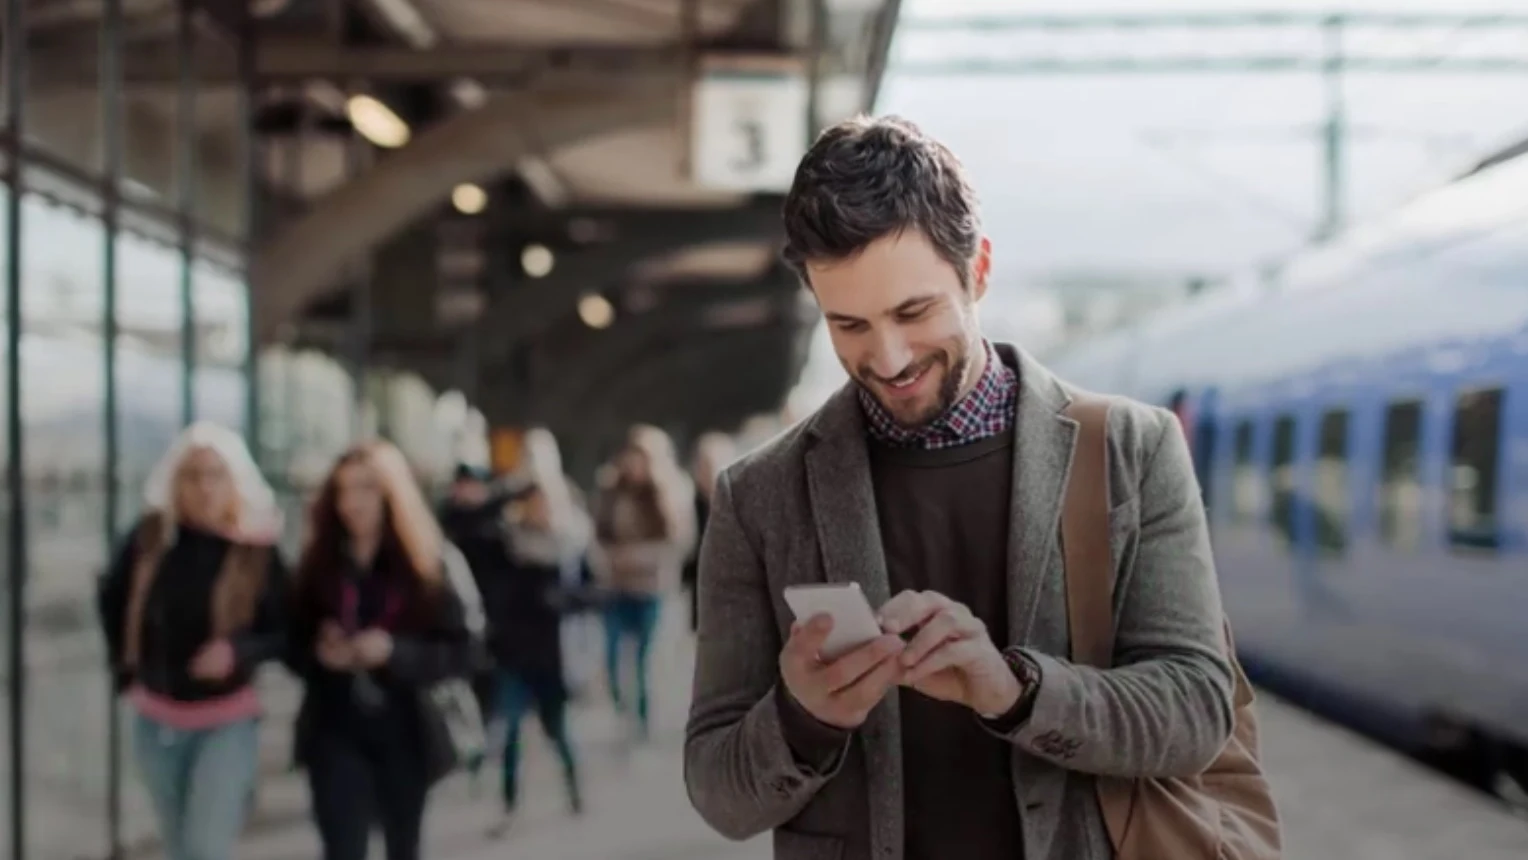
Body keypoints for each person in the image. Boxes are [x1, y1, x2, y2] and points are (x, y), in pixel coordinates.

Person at [683, 115, 1238, 860]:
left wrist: (1013, 691)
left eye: (913, 312)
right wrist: (799, 717)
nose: (887, 358)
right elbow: (718, 792)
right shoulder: (758, 497)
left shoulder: (1133, 452)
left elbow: (1198, 711)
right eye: (848, 324)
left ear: (978, 270)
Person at [97, 421, 288, 860]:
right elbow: (111, 596)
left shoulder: (256, 551)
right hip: (158, 719)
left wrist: (238, 650)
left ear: (236, 481)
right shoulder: (150, 540)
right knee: (179, 844)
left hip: (225, 721)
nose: (204, 487)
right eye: (193, 474)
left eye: (216, 474)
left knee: (206, 846)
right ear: (174, 480)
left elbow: (287, 629)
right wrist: (125, 667)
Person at [287, 441, 480, 860]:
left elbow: (467, 650)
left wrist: (394, 652)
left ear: (392, 493)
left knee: (403, 847)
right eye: (344, 490)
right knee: (342, 846)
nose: (353, 503)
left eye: (366, 489)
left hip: (408, 727)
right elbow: (291, 639)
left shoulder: (431, 564)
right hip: (336, 726)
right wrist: (320, 649)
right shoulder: (319, 564)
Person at [483, 481, 598, 836]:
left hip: (557, 657)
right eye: (533, 504)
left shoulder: (571, 545)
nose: (540, 511)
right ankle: (510, 804)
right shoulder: (506, 545)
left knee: (560, 732)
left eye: (546, 504)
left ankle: (576, 792)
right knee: (511, 733)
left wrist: (563, 599)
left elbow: (595, 592)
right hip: (516, 655)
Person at [591, 425, 694, 741]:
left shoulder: (668, 492)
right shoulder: (611, 491)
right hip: (616, 587)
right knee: (612, 655)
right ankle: (623, 708)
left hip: (652, 589)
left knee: (644, 661)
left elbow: (676, 545)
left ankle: (644, 719)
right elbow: (598, 536)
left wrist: (632, 557)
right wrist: (608, 560)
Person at [681, 432, 736, 632]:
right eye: (703, 464)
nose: (709, 470)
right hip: (697, 594)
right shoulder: (688, 502)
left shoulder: (739, 504)